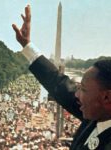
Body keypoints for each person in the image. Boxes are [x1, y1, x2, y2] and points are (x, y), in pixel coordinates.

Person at [12, 5, 111, 150]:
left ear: (106, 97)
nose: (76, 94)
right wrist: (27, 46)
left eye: (83, 89)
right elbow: (59, 83)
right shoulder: (98, 113)